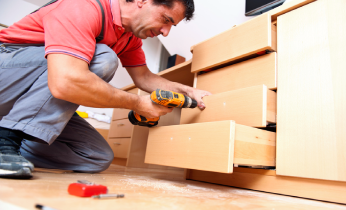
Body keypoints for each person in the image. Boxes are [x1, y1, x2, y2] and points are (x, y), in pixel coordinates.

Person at [0, 0, 211, 179]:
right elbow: (65, 82)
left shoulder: (129, 38)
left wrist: (189, 91)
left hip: (23, 97)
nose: (165, 32)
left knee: (95, 157)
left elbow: (144, 78)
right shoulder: (82, 6)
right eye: (166, 19)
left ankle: (11, 144)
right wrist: (140, 104)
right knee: (102, 58)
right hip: (8, 71)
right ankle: (5, 141)